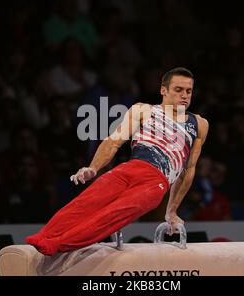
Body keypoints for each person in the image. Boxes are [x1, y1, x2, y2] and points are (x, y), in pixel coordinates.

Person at [26, 67, 209, 256]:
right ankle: (43, 237)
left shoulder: (199, 124)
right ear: (163, 90)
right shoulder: (143, 110)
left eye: (188, 91)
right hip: (129, 168)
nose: (185, 95)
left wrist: (171, 211)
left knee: (112, 214)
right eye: (178, 89)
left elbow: (188, 171)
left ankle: (59, 244)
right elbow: (113, 141)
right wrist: (93, 167)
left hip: (155, 182)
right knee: (85, 203)